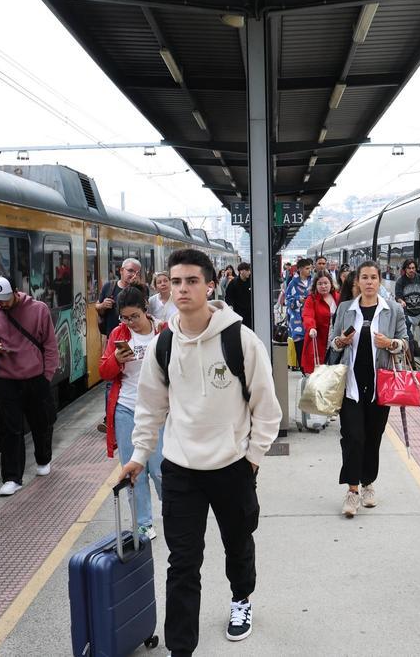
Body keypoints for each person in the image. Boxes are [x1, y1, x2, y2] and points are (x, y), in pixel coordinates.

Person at [118, 248, 281, 654]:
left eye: (191, 281)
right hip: (180, 469)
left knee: (238, 543)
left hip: (232, 466)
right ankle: (181, 648)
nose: (182, 289)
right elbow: (150, 407)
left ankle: (241, 599)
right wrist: (139, 455)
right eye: (176, 281)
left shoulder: (240, 340)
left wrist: (253, 458)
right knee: (182, 563)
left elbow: (267, 408)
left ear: (210, 286)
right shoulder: (164, 345)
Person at [328, 261, 408, 518]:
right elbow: (332, 343)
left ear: (379, 281)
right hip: (351, 386)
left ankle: (368, 483)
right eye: (364, 277)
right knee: (353, 437)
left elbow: (405, 343)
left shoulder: (392, 310)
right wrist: (341, 341)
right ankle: (352, 491)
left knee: (373, 437)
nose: (369, 282)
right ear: (358, 282)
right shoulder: (345, 309)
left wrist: (390, 343)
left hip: (379, 387)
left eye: (374, 277)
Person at [99, 286, 166, 539]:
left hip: (158, 410)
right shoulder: (119, 334)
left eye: (134, 316)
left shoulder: (163, 331)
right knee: (133, 471)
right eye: (125, 318)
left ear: (145, 309)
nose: (130, 322)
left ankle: (174, 512)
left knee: (161, 468)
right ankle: (143, 523)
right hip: (126, 409)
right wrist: (116, 359)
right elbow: (104, 372)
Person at [0, 276, 59, 496]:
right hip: (8, 379)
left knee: (41, 423)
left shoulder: (39, 309)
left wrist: (46, 376)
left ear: (16, 292)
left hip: (36, 377)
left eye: (5, 298)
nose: (1, 303)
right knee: (10, 429)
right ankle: (12, 478)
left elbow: (50, 345)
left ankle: (43, 459)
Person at [95, 258, 143, 433]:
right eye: (130, 270)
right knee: (110, 380)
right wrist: (102, 305)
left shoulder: (139, 290)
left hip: (135, 339)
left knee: (131, 374)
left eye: (136, 272)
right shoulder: (110, 287)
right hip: (114, 339)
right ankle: (110, 418)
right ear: (121, 270)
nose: (133, 274)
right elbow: (98, 307)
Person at [301, 272, 339, 375]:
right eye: (320, 284)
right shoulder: (311, 299)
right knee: (317, 374)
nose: (323, 286)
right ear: (315, 286)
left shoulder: (338, 297)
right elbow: (308, 315)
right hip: (317, 339)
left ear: (331, 284)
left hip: (336, 340)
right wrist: (311, 327)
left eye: (326, 283)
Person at [284, 258, 313, 369]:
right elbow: (287, 301)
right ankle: (303, 369)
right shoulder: (292, 284)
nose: (309, 270)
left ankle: (310, 369)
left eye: (310, 268)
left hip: (310, 317)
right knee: (299, 344)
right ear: (300, 269)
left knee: (310, 344)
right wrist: (299, 300)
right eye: (307, 268)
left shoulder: (313, 282)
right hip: (296, 319)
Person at [394, 259, 420, 348]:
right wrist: (401, 301)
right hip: (407, 314)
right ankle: (411, 355)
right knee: (410, 337)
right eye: (409, 268)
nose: (411, 270)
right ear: (405, 269)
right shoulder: (400, 281)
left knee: (419, 336)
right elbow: (398, 296)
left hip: (419, 314)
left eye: (413, 268)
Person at [225, 262, 254, 329]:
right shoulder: (233, 282)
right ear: (241, 271)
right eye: (247, 270)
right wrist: (230, 305)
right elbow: (228, 296)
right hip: (238, 313)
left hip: (250, 313)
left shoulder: (252, 282)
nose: (249, 272)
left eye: (249, 270)